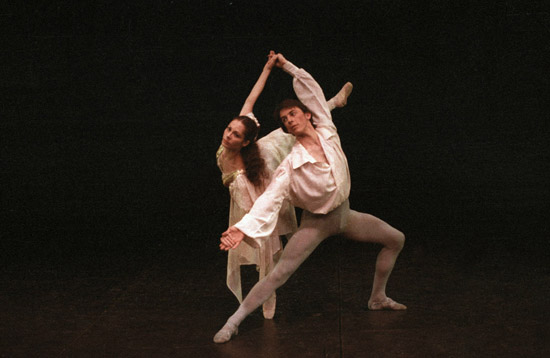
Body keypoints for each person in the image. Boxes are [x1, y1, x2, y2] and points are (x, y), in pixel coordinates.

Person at [214, 52, 405, 344]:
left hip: (346, 215)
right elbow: (269, 201)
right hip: (317, 223)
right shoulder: (289, 166)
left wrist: (286, 66)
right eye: (284, 119)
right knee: (279, 274)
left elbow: (312, 90)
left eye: (293, 114)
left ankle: (377, 297)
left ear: (307, 114)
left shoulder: (327, 130)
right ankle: (234, 321)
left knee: (396, 239)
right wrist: (241, 229)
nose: (289, 121)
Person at [217, 51, 353, 320]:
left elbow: (254, 101)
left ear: (244, 141)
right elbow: (250, 99)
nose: (228, 135)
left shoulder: (253, 147)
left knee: (287, 132)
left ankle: (332, 103)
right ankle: (331, 103)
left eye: (234, 134)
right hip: (246, 195)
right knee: (284, 135)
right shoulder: (227, 147)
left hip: (261, 172)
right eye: (228, 130)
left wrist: (272, 67)